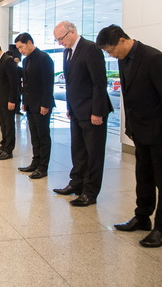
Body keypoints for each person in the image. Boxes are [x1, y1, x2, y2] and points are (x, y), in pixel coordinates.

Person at [96, 25, 162, 248]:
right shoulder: (123, 59)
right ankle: (142, 217)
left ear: (122, 40)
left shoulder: (154, 58)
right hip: (140, 131)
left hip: (161, 133)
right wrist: (131, 128)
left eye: (111, 50)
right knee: (143, 176)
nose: (111, 55)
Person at [52, 21, 113, 207]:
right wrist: (70, 107)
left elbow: (99, 83)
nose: (59, 43)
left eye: (61, 38)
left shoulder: (91, 49)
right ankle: (76, 183)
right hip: (77, 110)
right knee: (78, 150)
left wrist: (97, 112)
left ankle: (90, 192)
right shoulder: (67, 52)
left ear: (72, 32)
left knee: (93, 154)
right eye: (57, 40)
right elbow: (71, 83)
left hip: (92, 112)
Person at [15, 32, 55, 179]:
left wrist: (45, 104)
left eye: (21, 47)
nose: (20, 50)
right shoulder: (26, 60)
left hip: (42, 104)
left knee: (43, 136)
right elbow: (25, 84)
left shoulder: (44, 58)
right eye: (18, 48)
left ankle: (43, 167)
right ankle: (35, 162)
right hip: (30, 104)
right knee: (34, 135)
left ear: (29, 42)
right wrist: (24, 102)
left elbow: (48, 83)